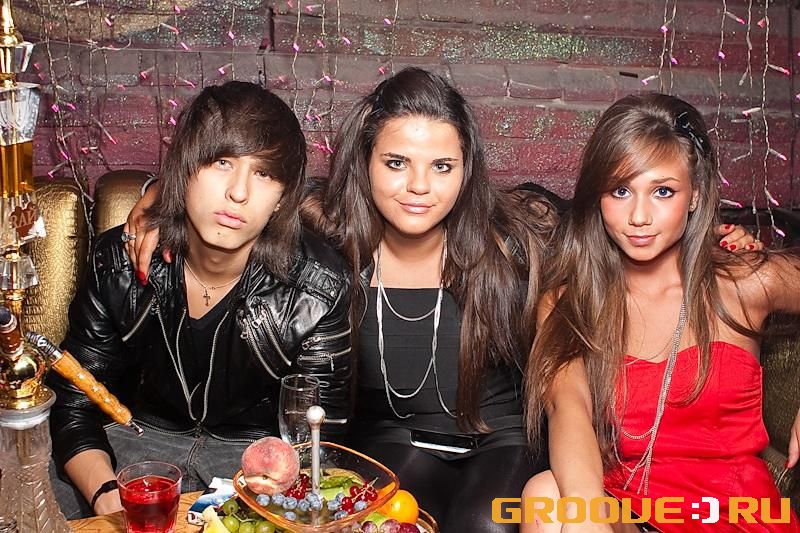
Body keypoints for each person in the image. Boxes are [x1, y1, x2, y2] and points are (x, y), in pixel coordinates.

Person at [124, 71, 760, 532]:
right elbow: (246, 190)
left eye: (443, 166)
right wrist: (159, 201)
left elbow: (618, 211)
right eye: (397, 162)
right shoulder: (327, 227)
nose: (419, 188)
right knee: (387, 522)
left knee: (485, 524)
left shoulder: (518, 232)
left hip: (500, 441)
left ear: (467, 168)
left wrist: (713, 236)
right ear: (365, 162)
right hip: (390, 440)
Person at [48, 81, 353, 519]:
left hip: (255, 464)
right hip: (133, 443)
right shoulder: (118, 262)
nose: (238, 193)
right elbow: (75, 403)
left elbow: (320, 439)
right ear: (184, 168)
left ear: (282, 197)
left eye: (264, 174)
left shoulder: (318, 288)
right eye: (221, 162)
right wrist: (110, 498)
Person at [521, 93, 800, 532]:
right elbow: (567, 408)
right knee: (546, 496)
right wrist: (586, 518)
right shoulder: (569, 303)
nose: (639, 216)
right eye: (620, 191)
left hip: (731, 514)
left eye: (663, 192)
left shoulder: (745, 282)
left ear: (695, 195)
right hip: (628, 506)